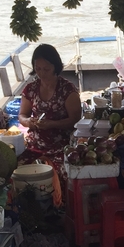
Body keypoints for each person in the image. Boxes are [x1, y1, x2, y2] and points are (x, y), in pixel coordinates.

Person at [17, 43, 82, 206]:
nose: (41, 73)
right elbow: (22, 115)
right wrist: (29, 122)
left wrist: (53, 124)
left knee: (63, 171)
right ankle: (28, 207)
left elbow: (75, 119)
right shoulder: (31, 89)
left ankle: (62, 206)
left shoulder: (67, 90)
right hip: (35, 142)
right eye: (38, 68)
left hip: (61, 143)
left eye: (46, 69)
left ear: (55, 67)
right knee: (17, 168)